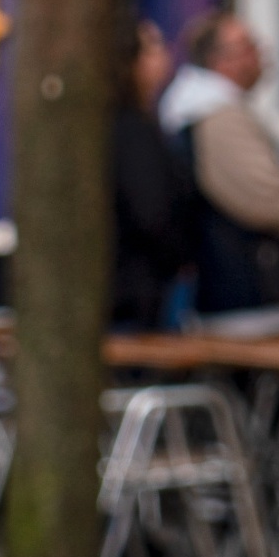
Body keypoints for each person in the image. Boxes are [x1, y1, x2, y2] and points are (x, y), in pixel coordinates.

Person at [166, 11, 279, 318]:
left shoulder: (225, 111)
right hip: (250, 298)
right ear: (220, 60)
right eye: (248, 46)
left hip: (260, 294)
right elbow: (275, 204)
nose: (261, 54)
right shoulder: (216, 118)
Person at [111, 18, 198, 330]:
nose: (166, 54)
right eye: (155, 46)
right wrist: (181, 256)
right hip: (137, 292)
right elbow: (152, 211)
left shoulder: (141, 122)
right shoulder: (131, 130)